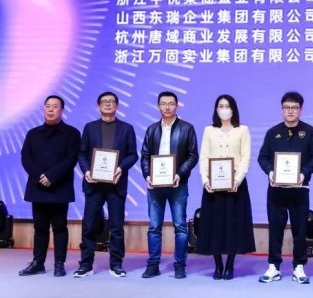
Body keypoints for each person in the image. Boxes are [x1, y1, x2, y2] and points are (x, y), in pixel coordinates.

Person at [257, 91, 313, 284]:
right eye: (287, 107)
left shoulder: (309, 132)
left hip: (300, 190)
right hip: (276, 190)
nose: (290, 111)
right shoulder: (272, 132)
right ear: (281, 110)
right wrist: (270, 172)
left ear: (301, 110)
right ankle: (274, 266)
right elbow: (262, 157)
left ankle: (299, 267)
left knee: (300, 229)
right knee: (275, 229)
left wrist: (304, 173)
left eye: (294, 107)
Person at [74, 92, 138, 278]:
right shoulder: (90, 128)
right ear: (98, 106)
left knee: (116, 227)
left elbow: (133, 155)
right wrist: (86, 170)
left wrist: (120, 168)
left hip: (116, 184)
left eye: (111, 101)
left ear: (117, 106)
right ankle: (86, 265)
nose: (108, 104)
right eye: (104, 101)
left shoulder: (127, 129)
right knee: (89, 226)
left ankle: (116, 264)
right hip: (93, 184)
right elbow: (82, 153)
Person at [19, 95, 81, 277]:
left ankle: (59, 264)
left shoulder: (72, 133)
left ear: (62, 110)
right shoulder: (33, 133)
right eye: (47, 106)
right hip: (38, 186)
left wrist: (52, 177)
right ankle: (38, 263)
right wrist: (40, 176)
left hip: (60, 186)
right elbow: (26, 158)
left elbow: (71, 159)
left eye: (55, 106)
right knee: (40, 227)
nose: (51, 109)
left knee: (60, 227)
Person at [140, 91, 198, 279]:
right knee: (154, 227)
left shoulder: (187, 128)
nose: (167, 107)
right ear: (158, 106)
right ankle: (153, 265)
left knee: (180, 227)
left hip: (177, 185)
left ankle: (180, 265)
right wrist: (148, 175)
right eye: (163, 103)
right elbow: (145, 156)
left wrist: (179, 174)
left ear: (177, 105)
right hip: (155, 186)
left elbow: (193, 156)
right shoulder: (152, 129)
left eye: (171, 103)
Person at [197, 94, 256, 280]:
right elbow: (203, 157)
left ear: (233, 109)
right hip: (213, 185)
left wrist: (237, 180)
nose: (224, 109)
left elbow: (246, 157)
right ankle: (218, 265)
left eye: (227, 106)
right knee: (214, 224)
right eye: (221, 106)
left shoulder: (242, 130)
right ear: (216, 109)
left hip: (236, 185)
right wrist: (205, 180)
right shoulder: (209, 130)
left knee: (233, 224)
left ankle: (230, 264)